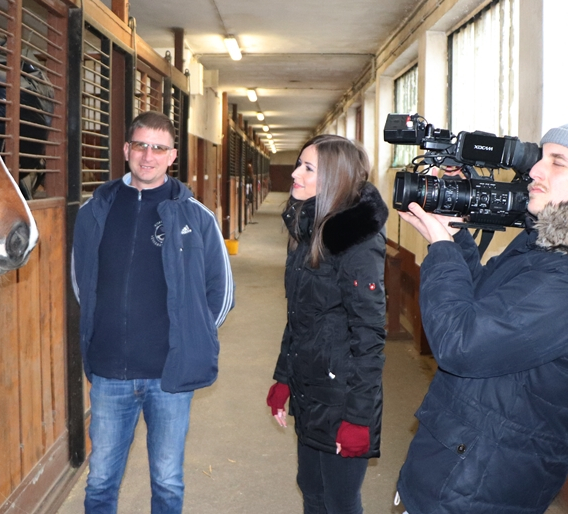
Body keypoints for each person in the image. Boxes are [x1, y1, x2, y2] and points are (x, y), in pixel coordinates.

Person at [394, 122, 568, 514]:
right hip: (463, 461)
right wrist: (455, 236)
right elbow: (480, 302)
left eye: (557, 162)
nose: (536, 170)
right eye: (540, 158)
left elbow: (460, 345)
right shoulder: (545, 247)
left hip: (479, 485)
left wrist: (441, 249)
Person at [71, 111, 235, 514]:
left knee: (167, 480)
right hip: (109, 372)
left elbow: (222, 291)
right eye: (141, 145)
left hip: (169, 375)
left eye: (159, 148)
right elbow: (81, 281)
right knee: (101, 480)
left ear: (172, 155)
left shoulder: (196, 216)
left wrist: (191, 335)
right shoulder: (95, 211)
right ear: (126, 149)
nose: (149, 156)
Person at [267, 135, 389, 514]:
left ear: (335, 178)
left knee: (339, 501)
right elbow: (299, 318)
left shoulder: (356, 242)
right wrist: (284, 378)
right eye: (298, 164)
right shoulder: (308, 232)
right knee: (312, 488)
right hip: (310, 387)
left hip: (342, 396)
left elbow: (369, 336)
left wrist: (358, 418)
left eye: (308, 168)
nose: (295, 174)